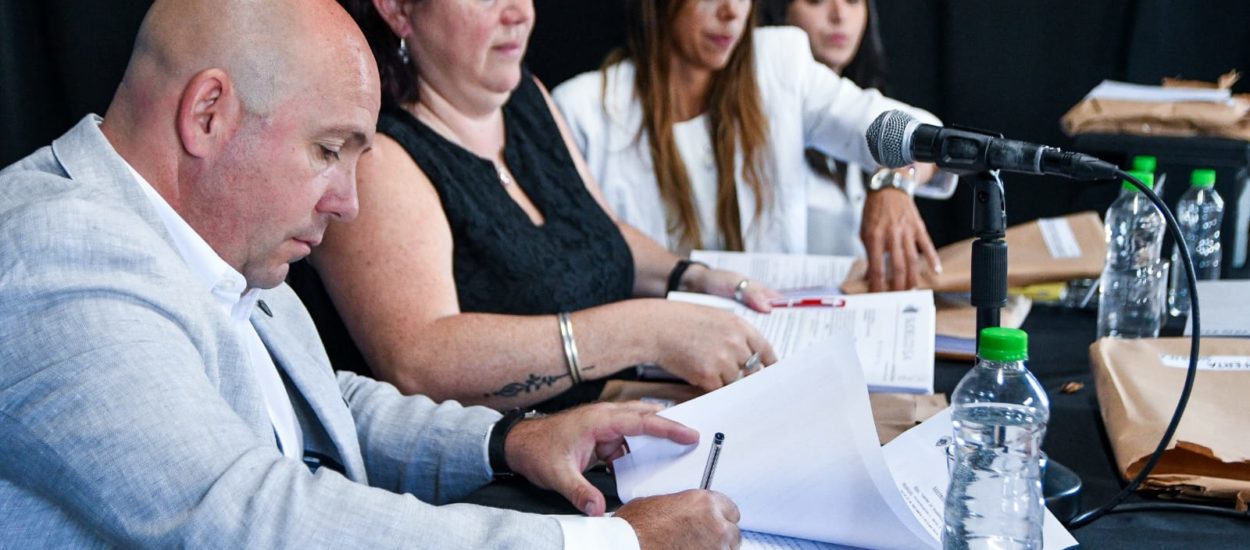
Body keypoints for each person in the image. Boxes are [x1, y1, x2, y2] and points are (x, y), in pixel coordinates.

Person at [0, 1, 739, 547]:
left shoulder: (215, 244)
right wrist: (613, 544)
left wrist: (507, 443)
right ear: (208, 114)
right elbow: (248, 519)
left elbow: (323, 404)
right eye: (329, 150)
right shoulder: (60, 250)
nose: (348, 204)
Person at [291, 0, 779, 413]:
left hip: (611, 406)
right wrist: (648, 331)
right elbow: (420, 361)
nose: (519, 13)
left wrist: (692, 276)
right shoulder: (380, 156)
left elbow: (600, 230)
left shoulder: (526, 96)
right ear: (398, 9)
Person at [552, 0, 944, 292]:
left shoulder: (779, 64)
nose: (731, 12)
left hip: (774, 344)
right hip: (648, 363)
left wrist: (894, 181)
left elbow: (922, 133)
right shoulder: (584, 109)